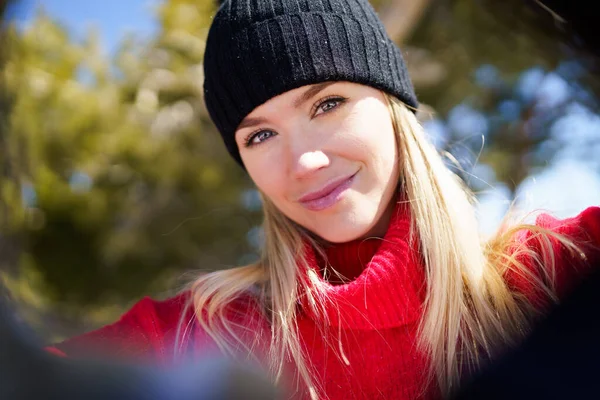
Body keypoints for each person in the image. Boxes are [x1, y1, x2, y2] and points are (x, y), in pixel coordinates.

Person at [47, 0, 600, 399]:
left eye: (327, 103)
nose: (304, 162)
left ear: (391, 105)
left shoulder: (554, 271)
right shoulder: (206, 333)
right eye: (259, 135)